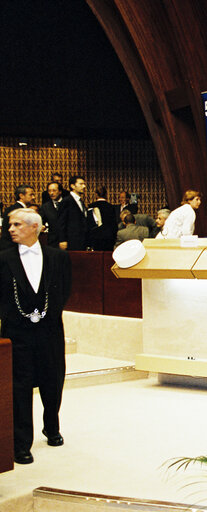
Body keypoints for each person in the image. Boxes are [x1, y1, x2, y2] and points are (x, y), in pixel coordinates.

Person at [0, 208, 71, 464]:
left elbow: (64, 290)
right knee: (19, 387)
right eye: (10, 225)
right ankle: (21, 444)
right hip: (16, 333)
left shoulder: (59, 257)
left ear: (35, 227)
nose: (11, 229)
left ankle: (51, 428)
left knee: (53, 382)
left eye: (17, 224)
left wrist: (45, 315)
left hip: (50, 330)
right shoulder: (3, 258)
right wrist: (18, 318)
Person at [58, 176, 89, 250]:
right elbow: (61, 221)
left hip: (81, 240)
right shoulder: (66, 201)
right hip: (71, 240)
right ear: (72, 186)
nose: (84, 186)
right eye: (81, 184)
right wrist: (62, 239)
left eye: (84, 184)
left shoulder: (80, 201)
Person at [1, 184, 37, 250]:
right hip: (13, 248)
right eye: (31, 195)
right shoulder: (19, 211)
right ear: (21, 196)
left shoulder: (12, 208)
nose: (33, 197)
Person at [88, 186, 119, 251]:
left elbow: (90, 223)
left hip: (95, 237)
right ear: (106, 195)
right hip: (109, 237)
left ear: (96, 194)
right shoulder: (111, 207)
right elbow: (114, 224)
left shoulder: (91, 206)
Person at [40, 182, 64, 248]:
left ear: (60, 191)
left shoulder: (68, 204)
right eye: (49, 191)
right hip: (53, 242)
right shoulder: (45, 207)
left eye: (54, 190)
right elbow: (41, 221)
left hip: (68, 240)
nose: (51, 193)